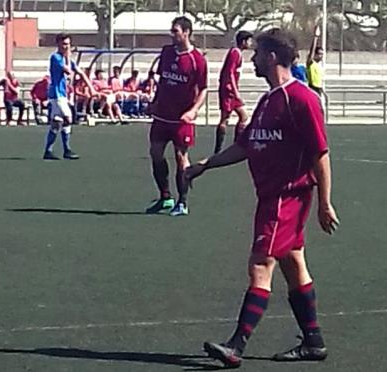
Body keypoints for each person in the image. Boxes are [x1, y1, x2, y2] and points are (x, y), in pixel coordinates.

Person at [184, 28, 339, 368]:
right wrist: (205, 165)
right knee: (293, 263)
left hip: (286, 197)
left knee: (260, 264)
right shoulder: (269, 100)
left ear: (271, 57)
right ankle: (314, 341)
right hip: (271, 197)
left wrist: (325, 203)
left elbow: (321, 154)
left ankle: (236, 345)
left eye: (256, 54)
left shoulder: (301, 98)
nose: (251, 59)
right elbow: (246, 145)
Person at [145, 16, 208, 216]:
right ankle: (165, 197)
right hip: (162, 115)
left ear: (186, 32)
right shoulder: (166, 53)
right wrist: (154, 102)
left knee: (181, 157)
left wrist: (193, 110)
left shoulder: (197, 59)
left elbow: (204, 88)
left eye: (176, 31)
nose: (172, 34)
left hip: (182, 118)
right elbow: (163, 80)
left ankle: (182, 202)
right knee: (155, 153)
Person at [43, 33, 96, 160]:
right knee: (68, 117)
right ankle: (66, 149)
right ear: (58, 44)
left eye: (68, 44)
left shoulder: (67, 59)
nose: (66, 46)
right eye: (64, 44)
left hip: (63, 94)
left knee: (57, 122)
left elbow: (81, 73)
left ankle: (49, 151)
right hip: (56, 94)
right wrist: (68, 56)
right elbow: (68, 71)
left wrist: (92, 88)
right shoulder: (55, 57)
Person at [214, 30, 253, 154]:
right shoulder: (235, 53)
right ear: (243, 41)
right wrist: (236, 92)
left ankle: (236, 144)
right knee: (225, 118)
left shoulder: (237, 53)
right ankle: (220, 148)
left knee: (243, 116)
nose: (250, 43)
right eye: (249, 40)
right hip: (228, 91)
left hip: (229, 90)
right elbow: (229, 73)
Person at [307, 26, 324, 96]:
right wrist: (315, 37)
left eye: (322, 54)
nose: (321, 56)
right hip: (312, 89)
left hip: (318, 90)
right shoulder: (311, 63)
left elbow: (319, 82)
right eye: (319, 54)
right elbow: (311, 51)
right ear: (315, 54)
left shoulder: (319, 66)